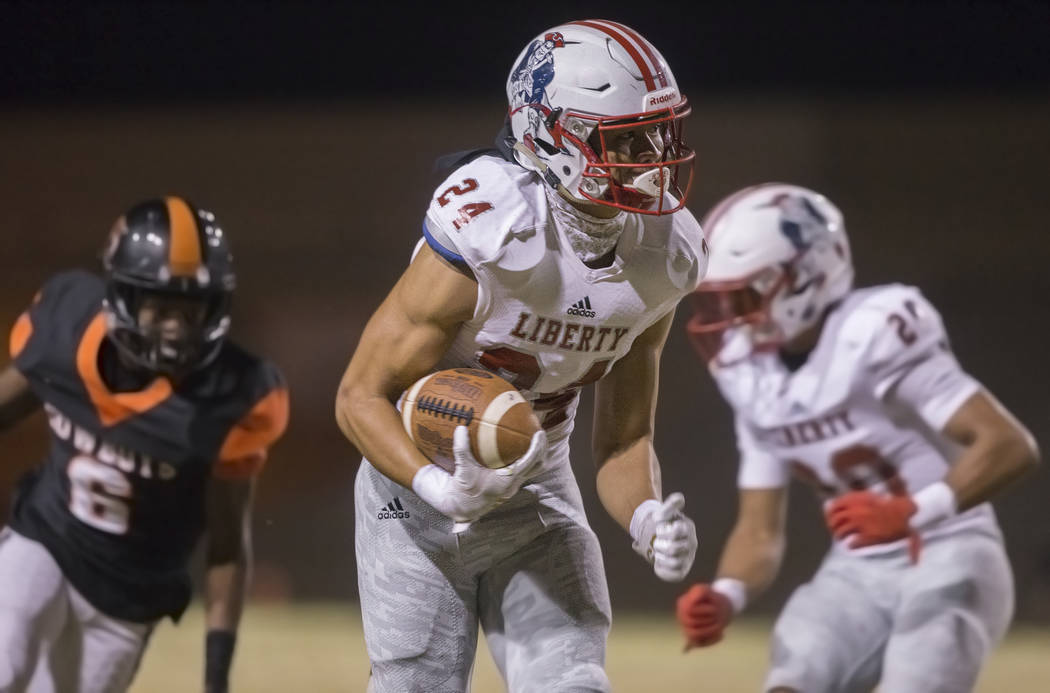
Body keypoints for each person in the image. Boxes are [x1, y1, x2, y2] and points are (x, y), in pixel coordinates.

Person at [336, 19, 707, 692]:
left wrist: (647, 515)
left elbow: (625, 437)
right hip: (410, 500)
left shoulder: (663, 256)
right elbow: (359, 395)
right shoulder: (492, 226)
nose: (653, 157)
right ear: (550, 134)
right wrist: (437, 486)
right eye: (625, 139)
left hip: (536, 487)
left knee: (574, 684)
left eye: (659, 133)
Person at [675, 183, 1039, 692]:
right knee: (791, 678)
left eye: (745, 293)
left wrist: (914, 511)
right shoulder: (748, 374)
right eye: (722, 298)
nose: (730, 315)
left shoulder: (874, 332)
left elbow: (1007, 445)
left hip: (951, 550)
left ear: (804, 276)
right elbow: (759, 530)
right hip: (856, 570)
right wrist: (728, 593)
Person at [0, 197, 289, 693]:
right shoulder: (65, 331)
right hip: (44, 539)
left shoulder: (234, 397)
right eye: (162, 308)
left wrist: (216, 674)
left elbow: (227, 545)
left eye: (192, 310)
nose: (178, 330)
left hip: (129, 596)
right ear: (125, 296)